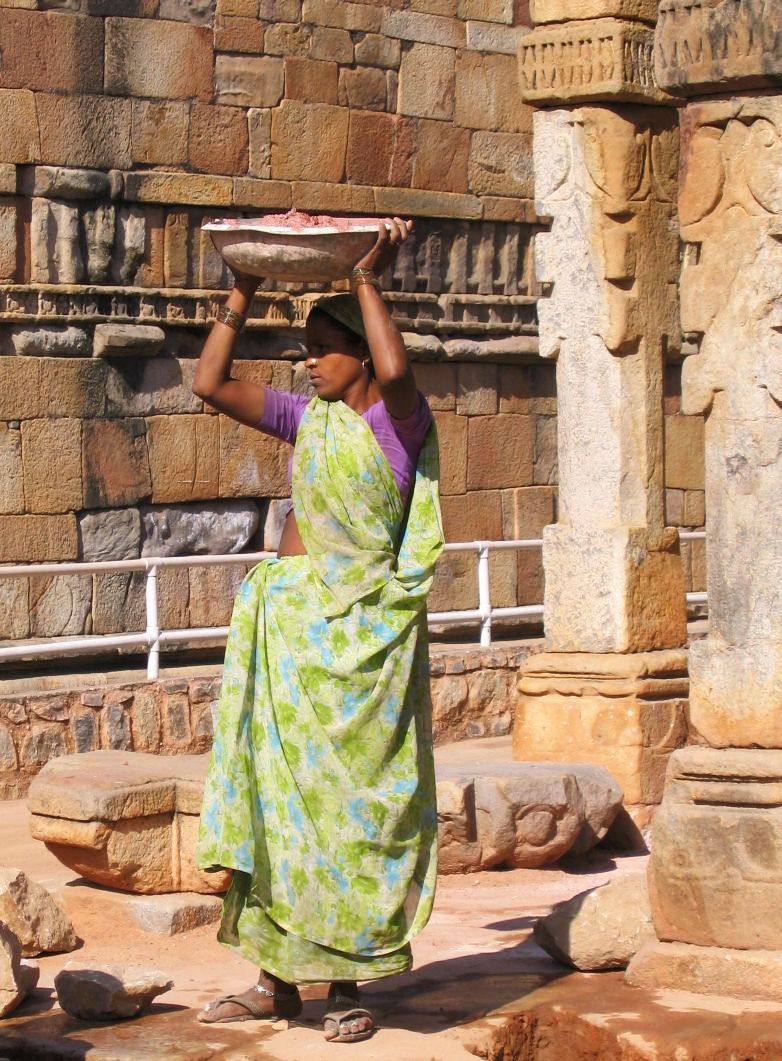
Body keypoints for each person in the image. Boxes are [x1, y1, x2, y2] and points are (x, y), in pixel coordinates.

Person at [192, 218, 444, 1044]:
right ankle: (274, 982)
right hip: (293, 644)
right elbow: (210, 384)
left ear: (361, 355)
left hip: (361, 648)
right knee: (281, 810)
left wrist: (367, 276)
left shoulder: (394, 424)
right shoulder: (311, 418)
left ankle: (342, 986)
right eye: (306, 347)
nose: (309, 359)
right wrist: (243, 290)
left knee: (345, 815)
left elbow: (399, 367)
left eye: (324, 347)